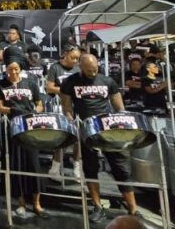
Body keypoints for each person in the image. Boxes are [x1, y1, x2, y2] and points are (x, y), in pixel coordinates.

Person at [59, 53, 140, 223]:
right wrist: (71, 121)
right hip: (86, 129)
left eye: (95, 69)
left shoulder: (108, 81)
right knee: (90, 168)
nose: (93, 73)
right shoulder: (70, 82)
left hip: (108, 129)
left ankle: (133, 209)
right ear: (80, 67)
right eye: (89, 70)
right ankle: (97, 206)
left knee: (121, 168)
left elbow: (120, 108)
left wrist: (122, 125)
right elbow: (67, 107)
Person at [0, 61, 46, 219]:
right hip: (12, 127)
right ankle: (21, 202)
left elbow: (40, 105)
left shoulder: (30, 83)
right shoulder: (0, 84)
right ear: (6, 70)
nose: (13, 72)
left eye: (16, 69)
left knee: (34, 164)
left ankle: (37, 203)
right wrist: (13, 110)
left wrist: (33, 111)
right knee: (16, 164)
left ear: (20, 70)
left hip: (29, 127)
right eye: (10, 69)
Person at [45, 45, 81, 177]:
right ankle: (55, 168)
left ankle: (77, 167)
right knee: (65, 138)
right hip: (61, 105)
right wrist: (66, 91)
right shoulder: (56, 68)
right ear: (65, 54)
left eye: (77, 58)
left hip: (78, 105)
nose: (75, 61)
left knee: (78, 138)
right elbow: (49, 88)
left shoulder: (78, 69)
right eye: (73, 57)